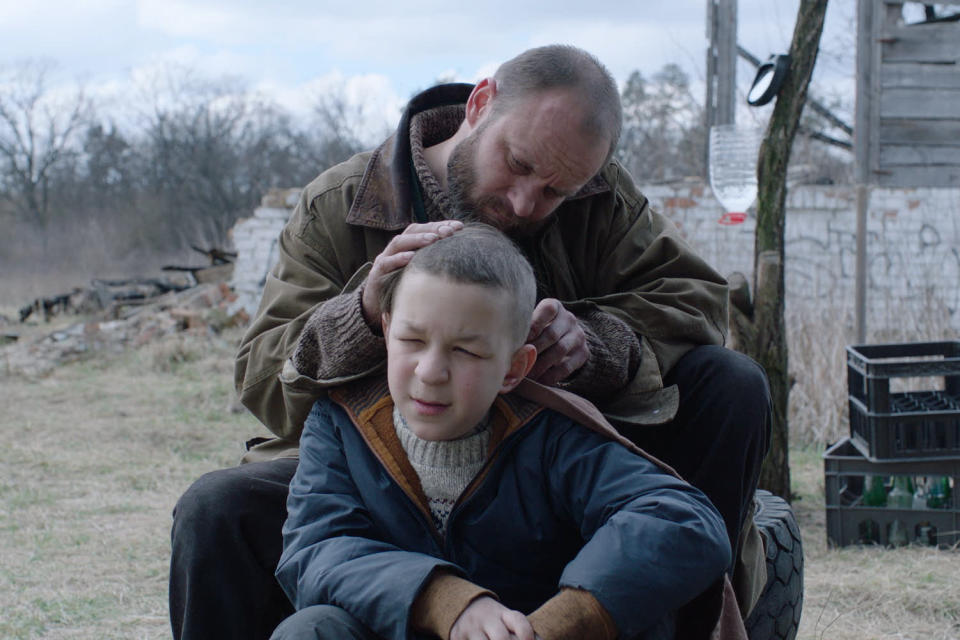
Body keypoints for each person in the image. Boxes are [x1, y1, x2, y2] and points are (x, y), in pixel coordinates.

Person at [169, 44, 770, 640]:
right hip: (373, 464)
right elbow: (261, 379)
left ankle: (700, 621)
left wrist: (600, 343)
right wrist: (363, 313)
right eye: (518, 164)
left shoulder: (598, 193)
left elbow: (692, 297)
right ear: (479, 105)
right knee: (216, 509)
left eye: (555, 192)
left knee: (731, 383)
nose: (524, 203)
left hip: (547, 459)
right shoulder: (339, 202)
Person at [270, 224, 732, 640]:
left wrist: (564, 621)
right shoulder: (339, 424)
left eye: (466, 351)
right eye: (412, 340)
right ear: (386, 331)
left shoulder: (549, 432)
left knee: (637, 613)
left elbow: (683, 519)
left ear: (515, 367)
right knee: (310, 629)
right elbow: (316, 550)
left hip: (525, 630)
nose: (431, 373)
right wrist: (443, 600)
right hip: (400, 625)